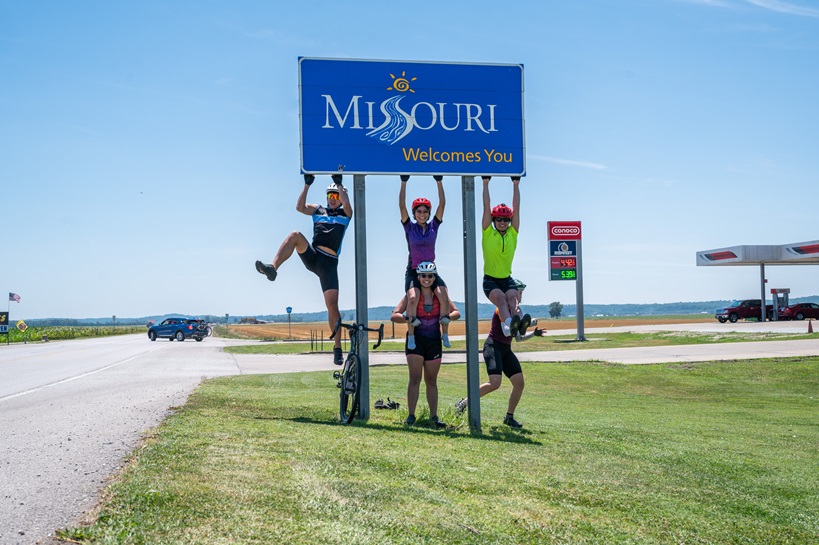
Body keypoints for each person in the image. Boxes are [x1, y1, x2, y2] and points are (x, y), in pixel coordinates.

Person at [255, 174, 352, 366]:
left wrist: (340, 185)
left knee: (333, 307)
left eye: (337, 197)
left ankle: (337, 347)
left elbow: (348, 205)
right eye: (330, 197)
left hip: (329, 264)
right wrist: (307, 185)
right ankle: (273, 268)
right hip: (314, 256)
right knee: (295, 235)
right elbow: (299, 207)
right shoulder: (318, 210)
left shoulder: (345, 215)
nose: (333, 200)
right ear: (326, 198)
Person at [455, 279, 541, 428]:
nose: (519, 296)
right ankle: (463, 403)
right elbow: (507, 330)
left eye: (520, 293)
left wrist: (533, 333)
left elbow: (518, 338)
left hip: (506, 349)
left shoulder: (517, 312)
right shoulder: (501, 309)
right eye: (518, 292)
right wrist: (527, 323)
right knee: (495, 383)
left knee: (519, 383)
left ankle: (509, 417)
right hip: (493, 346)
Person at [391, 261, 460, 428]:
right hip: (416, 340)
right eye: (423, 276)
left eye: (430, 276)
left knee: (431, 380)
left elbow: (456, 312)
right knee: (415, 378)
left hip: (434, 340)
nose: (426, 279)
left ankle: (434, 416)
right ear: (418, 277)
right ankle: (411, 416)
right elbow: (394, 315)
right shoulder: (411, 295)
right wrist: (409, 319)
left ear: (434, 277)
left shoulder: (441, 296)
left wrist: (448, 318)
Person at [399, 175, 452, 350]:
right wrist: (404, 182)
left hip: (430, 270)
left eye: (425, 211)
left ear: (429, 213)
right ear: (414, 214)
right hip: (414, 270)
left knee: (443, 294)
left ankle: (444, 333)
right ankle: (412, 336)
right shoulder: (409, 227)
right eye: (418, 211)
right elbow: (401, 205)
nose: (422, 214)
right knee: (413, 298)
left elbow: (442, 204)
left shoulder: (433, 227)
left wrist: (439, 181)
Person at [481, 175, 530, 337]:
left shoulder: (512, 233)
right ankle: (508, 325)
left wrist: (516, 184)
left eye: (506, 220)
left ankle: (521, 324)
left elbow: (517, 207)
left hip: (506, 278)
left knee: (514, 301)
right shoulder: (488, 232)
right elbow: (486, 205)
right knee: (502, 300)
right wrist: (485, 183)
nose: (503, 222)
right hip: (490, 279)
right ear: (494, 220)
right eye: (499, 219)